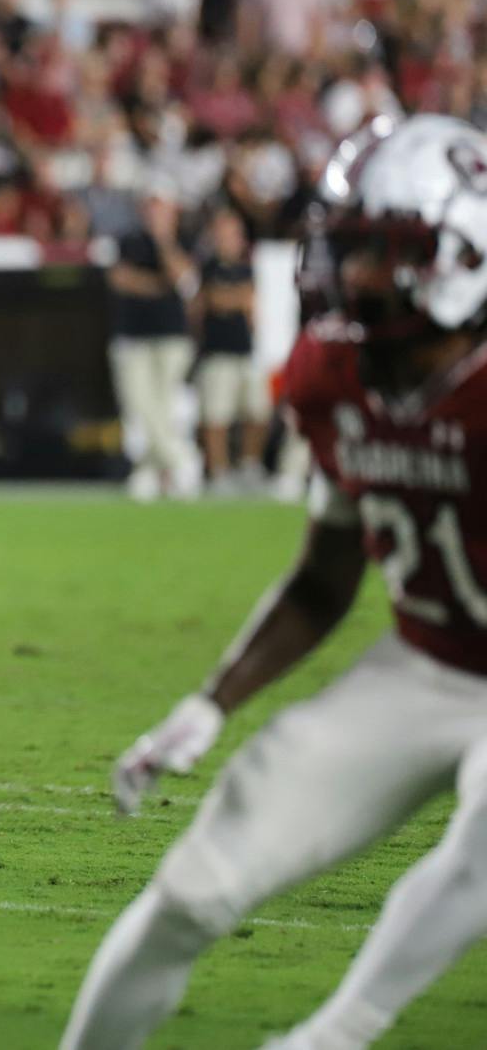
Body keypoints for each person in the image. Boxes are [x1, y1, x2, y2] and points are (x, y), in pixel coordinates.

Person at [61, 115, 487, 1050]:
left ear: (462, 254)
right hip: (428, 664)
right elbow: (323, 577)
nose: (351, 275)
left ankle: (333, 1034)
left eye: (381, 251)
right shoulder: (338, 375)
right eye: (347, 248)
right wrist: (212, 702)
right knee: (194, 887)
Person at [110, 190, 200, 500]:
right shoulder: (129, 240)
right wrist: (158, 285)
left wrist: (164, 241)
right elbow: (121, 280)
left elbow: (184, 279)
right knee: (140, 403)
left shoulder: (184, 239)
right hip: (133, 336)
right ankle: (180, 461)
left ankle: (151, 469)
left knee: (163, 404)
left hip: (171, 337)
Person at [194, 206, 269, 492]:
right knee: (216, 416)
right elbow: (214, 300)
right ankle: (219, 472)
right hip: (216, 351)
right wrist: (234, 300)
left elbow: (249, 301)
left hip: (245, 350)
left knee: (258, 410)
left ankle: (250, 464)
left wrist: (233, 299)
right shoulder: (208, 266)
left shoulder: (247, 268)